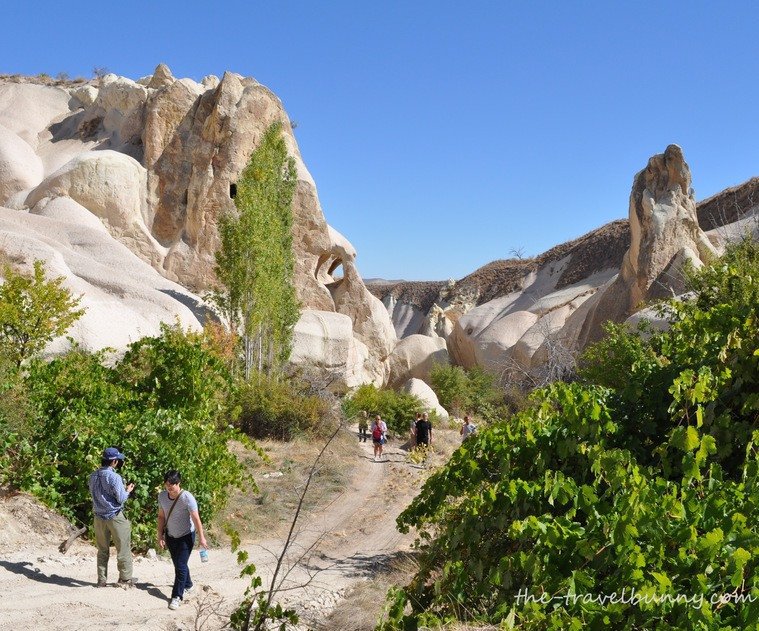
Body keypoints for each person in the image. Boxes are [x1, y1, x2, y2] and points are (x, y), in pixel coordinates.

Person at [158, 470, 209, 610]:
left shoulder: (187, 498)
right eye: (167, 484)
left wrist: (202, 538)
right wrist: (160, 535)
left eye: (172, 484)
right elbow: (161, 517)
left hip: (186, 536)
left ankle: (176, 596)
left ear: (178, 483)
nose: (170, 487)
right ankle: (188, 585)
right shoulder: (162, 496)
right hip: (170, 536)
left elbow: (196, 518)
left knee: (180, 567)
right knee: (179, 565)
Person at [88, 446, 135, 588]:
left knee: (102, 549)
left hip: (98, 517)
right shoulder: (114, 477)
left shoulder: (92, 476)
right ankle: (125, 579)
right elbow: (121, 498)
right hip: (114, 516)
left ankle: (101, 580)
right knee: (123, 548)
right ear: (114, 461)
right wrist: (128, 491)